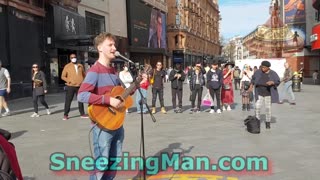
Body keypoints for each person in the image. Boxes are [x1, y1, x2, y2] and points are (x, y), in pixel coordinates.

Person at [78, 33, 132, 180]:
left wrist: (137, 83)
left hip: (116, 124)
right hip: (102, 126)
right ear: (100, 48)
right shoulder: (95, 70)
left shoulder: (113, 71)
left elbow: (122, 94)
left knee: (113, 163)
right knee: (101, 165)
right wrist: (108, 100)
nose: (114, 48)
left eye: (114, 45)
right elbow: (82, 95)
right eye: (110, 45)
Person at [251, 61, 280, 129]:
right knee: (257, 107)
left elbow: (278, 81)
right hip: (259, 92)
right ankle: (257, 122)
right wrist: (251, 86)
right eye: (261, 67)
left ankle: (268, 123)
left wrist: (272, 82)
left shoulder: (273, 73)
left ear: (268, 68)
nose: (262, 68)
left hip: (268, 94)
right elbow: (253, 79)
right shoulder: (258, 72)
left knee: (268, 108)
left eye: (264, 67)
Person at [61, 53, 88, 120]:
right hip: (71, 86)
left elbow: (84, 75)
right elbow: (63, 76)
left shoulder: (80, 66)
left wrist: (83, 82)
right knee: (68, 100)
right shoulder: (67, 66)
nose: (73, 58)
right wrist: (69, 81)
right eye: (72, 57)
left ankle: (82, 114)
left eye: (74, 57)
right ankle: (65, 115)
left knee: (80, 100)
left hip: (79, 86)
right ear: (70, 59)